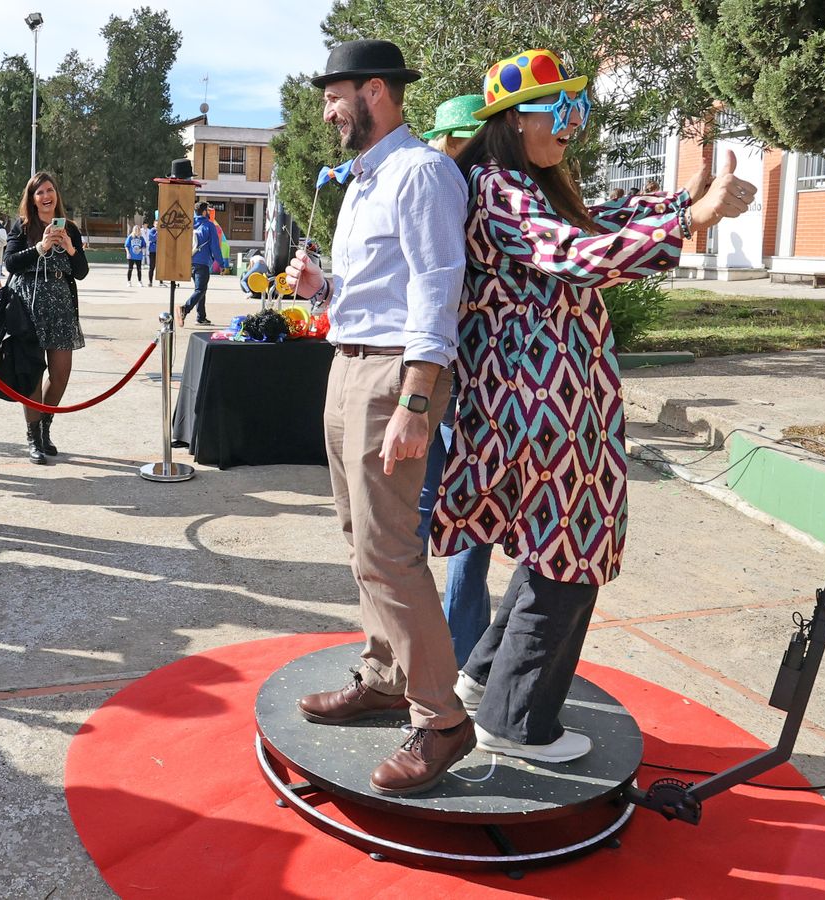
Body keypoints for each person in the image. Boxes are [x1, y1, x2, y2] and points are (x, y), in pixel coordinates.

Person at [433, 49, 754, 763]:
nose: (574, 126)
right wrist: (690, 218)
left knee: (558, 547)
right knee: (574, 550)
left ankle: (485, 678)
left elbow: (593, 219)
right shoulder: (497, 186)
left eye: (578, 110)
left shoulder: (516, 183)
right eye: (561, 111)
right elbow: (575, 251)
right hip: (540, 407)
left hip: (547, 405)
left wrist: (684, 202)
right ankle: (516, 722)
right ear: (513, 120)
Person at [284, 39, 472, 797]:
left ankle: (440, 719)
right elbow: (379, 288)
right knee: (359, 539)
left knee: (390, 549)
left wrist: (417, 402)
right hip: (348, 360)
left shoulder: (422, 172)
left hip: (394, 373)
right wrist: (322, 286)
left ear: (374, 92)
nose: (327, 112)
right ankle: (388, 676)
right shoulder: (368, 179)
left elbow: (436, 291)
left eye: (335, 97)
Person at [418, 93, 495, 667]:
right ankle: (440, 654)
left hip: (466, 380)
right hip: (447, 377)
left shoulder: (461, 190)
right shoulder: (453, 188)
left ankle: (442, 655)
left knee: (455, 519)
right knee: (432, 518)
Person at [4, 171, 88, 464]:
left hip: (61, 309)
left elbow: (81, 272)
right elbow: (10, 263)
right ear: (32, 198)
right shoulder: (22, 227)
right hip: (28, 307)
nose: (45, 196)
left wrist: (69, 247)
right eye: (39, 192)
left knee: (61, 375)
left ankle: (45, 426)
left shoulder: (71, 229)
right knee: (33, 375)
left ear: (56, 195)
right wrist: (39, 247)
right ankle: (33, 437)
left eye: (49, 190)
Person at [178, 201, 222, 327]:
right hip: (202, 262)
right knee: (200, 289)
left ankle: (201, 317)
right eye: (207, 210)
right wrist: (221, 263)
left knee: (201, 290)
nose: (208, 212)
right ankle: (185, 309)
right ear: (204, 211)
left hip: (190, 261)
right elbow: (215, 246)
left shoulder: (190, 224)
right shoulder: (209, 225)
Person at [144, 220, 160, 287]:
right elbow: (152, 238)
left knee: (160, 267)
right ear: (154, 224)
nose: (157, 225)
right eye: (156, 224)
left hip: (160, 251)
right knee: (152, 267)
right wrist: (157, 232)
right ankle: (150, 282)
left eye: (158, 224)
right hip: (153, 251)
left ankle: (161, 281)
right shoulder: (152, 231)